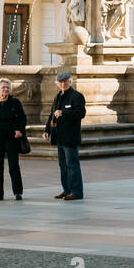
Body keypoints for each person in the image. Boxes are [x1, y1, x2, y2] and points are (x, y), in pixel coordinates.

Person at [45, 71, 87, 200]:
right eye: (60, 82)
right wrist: (47, 130)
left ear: (70, 82)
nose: (63, 84)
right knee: (63, 165)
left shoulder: (76, 96)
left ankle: (76, 192)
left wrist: (64, 113)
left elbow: (81, 113)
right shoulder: (58, 96)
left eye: (65, 81)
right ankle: (67, 189)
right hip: (59, 136)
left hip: (70, 137)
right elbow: (52, 114)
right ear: (57, 83)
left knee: (72, 164)